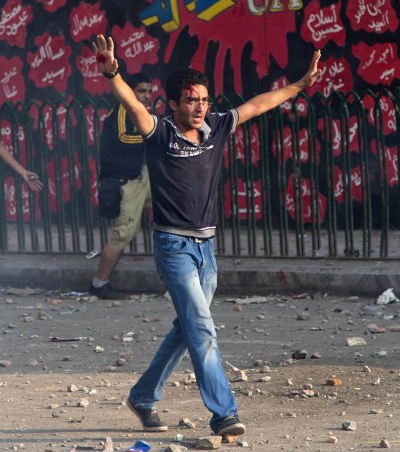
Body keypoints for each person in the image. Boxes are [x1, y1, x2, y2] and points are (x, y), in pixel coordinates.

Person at [92, 33, 321, 438]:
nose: (200, 107)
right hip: (173, 248)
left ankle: (142, 397)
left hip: (206, 249)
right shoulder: (160, 132)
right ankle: (224, 414)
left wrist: (300, 85)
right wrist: (112, 74)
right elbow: (133, 104)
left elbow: (258, 104)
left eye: (204, 100)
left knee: (187, 330)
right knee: (202, 329)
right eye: (191, 100)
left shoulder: (216, 127)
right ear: (173, 104)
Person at [89, 72, 153, 300]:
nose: (147, 96)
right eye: (142, 91)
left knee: (173, 209)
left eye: (150, 91)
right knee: (122, 235)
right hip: (124, 182)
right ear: (130, 91)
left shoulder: (139, 111)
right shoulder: (124, 109)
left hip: (140, 176)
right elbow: (123, 138)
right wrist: (152, 136)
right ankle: (99, 284)